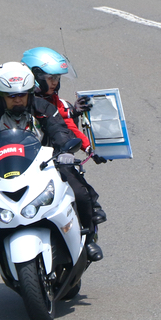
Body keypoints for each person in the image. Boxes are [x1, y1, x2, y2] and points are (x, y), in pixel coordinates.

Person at [0, 62, 103, 261]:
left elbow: (58, 129)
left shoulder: (42, 107)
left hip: (46, 164)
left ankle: (88, 239)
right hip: (7, 170)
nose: (18, 100)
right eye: (11, 96)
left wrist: (65, 149)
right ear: (0, 96)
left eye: (22, 95)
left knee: (79, 192)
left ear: (30, 92)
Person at [21, 47, 107, 226]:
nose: (54, 83)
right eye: (50, 78)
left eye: (57, 79)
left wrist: (88, 147)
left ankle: (88, 233)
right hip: (23, 160)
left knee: (80, 193)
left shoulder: (52, 99)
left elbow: (65, 124)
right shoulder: (16, 101)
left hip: (53, 155)